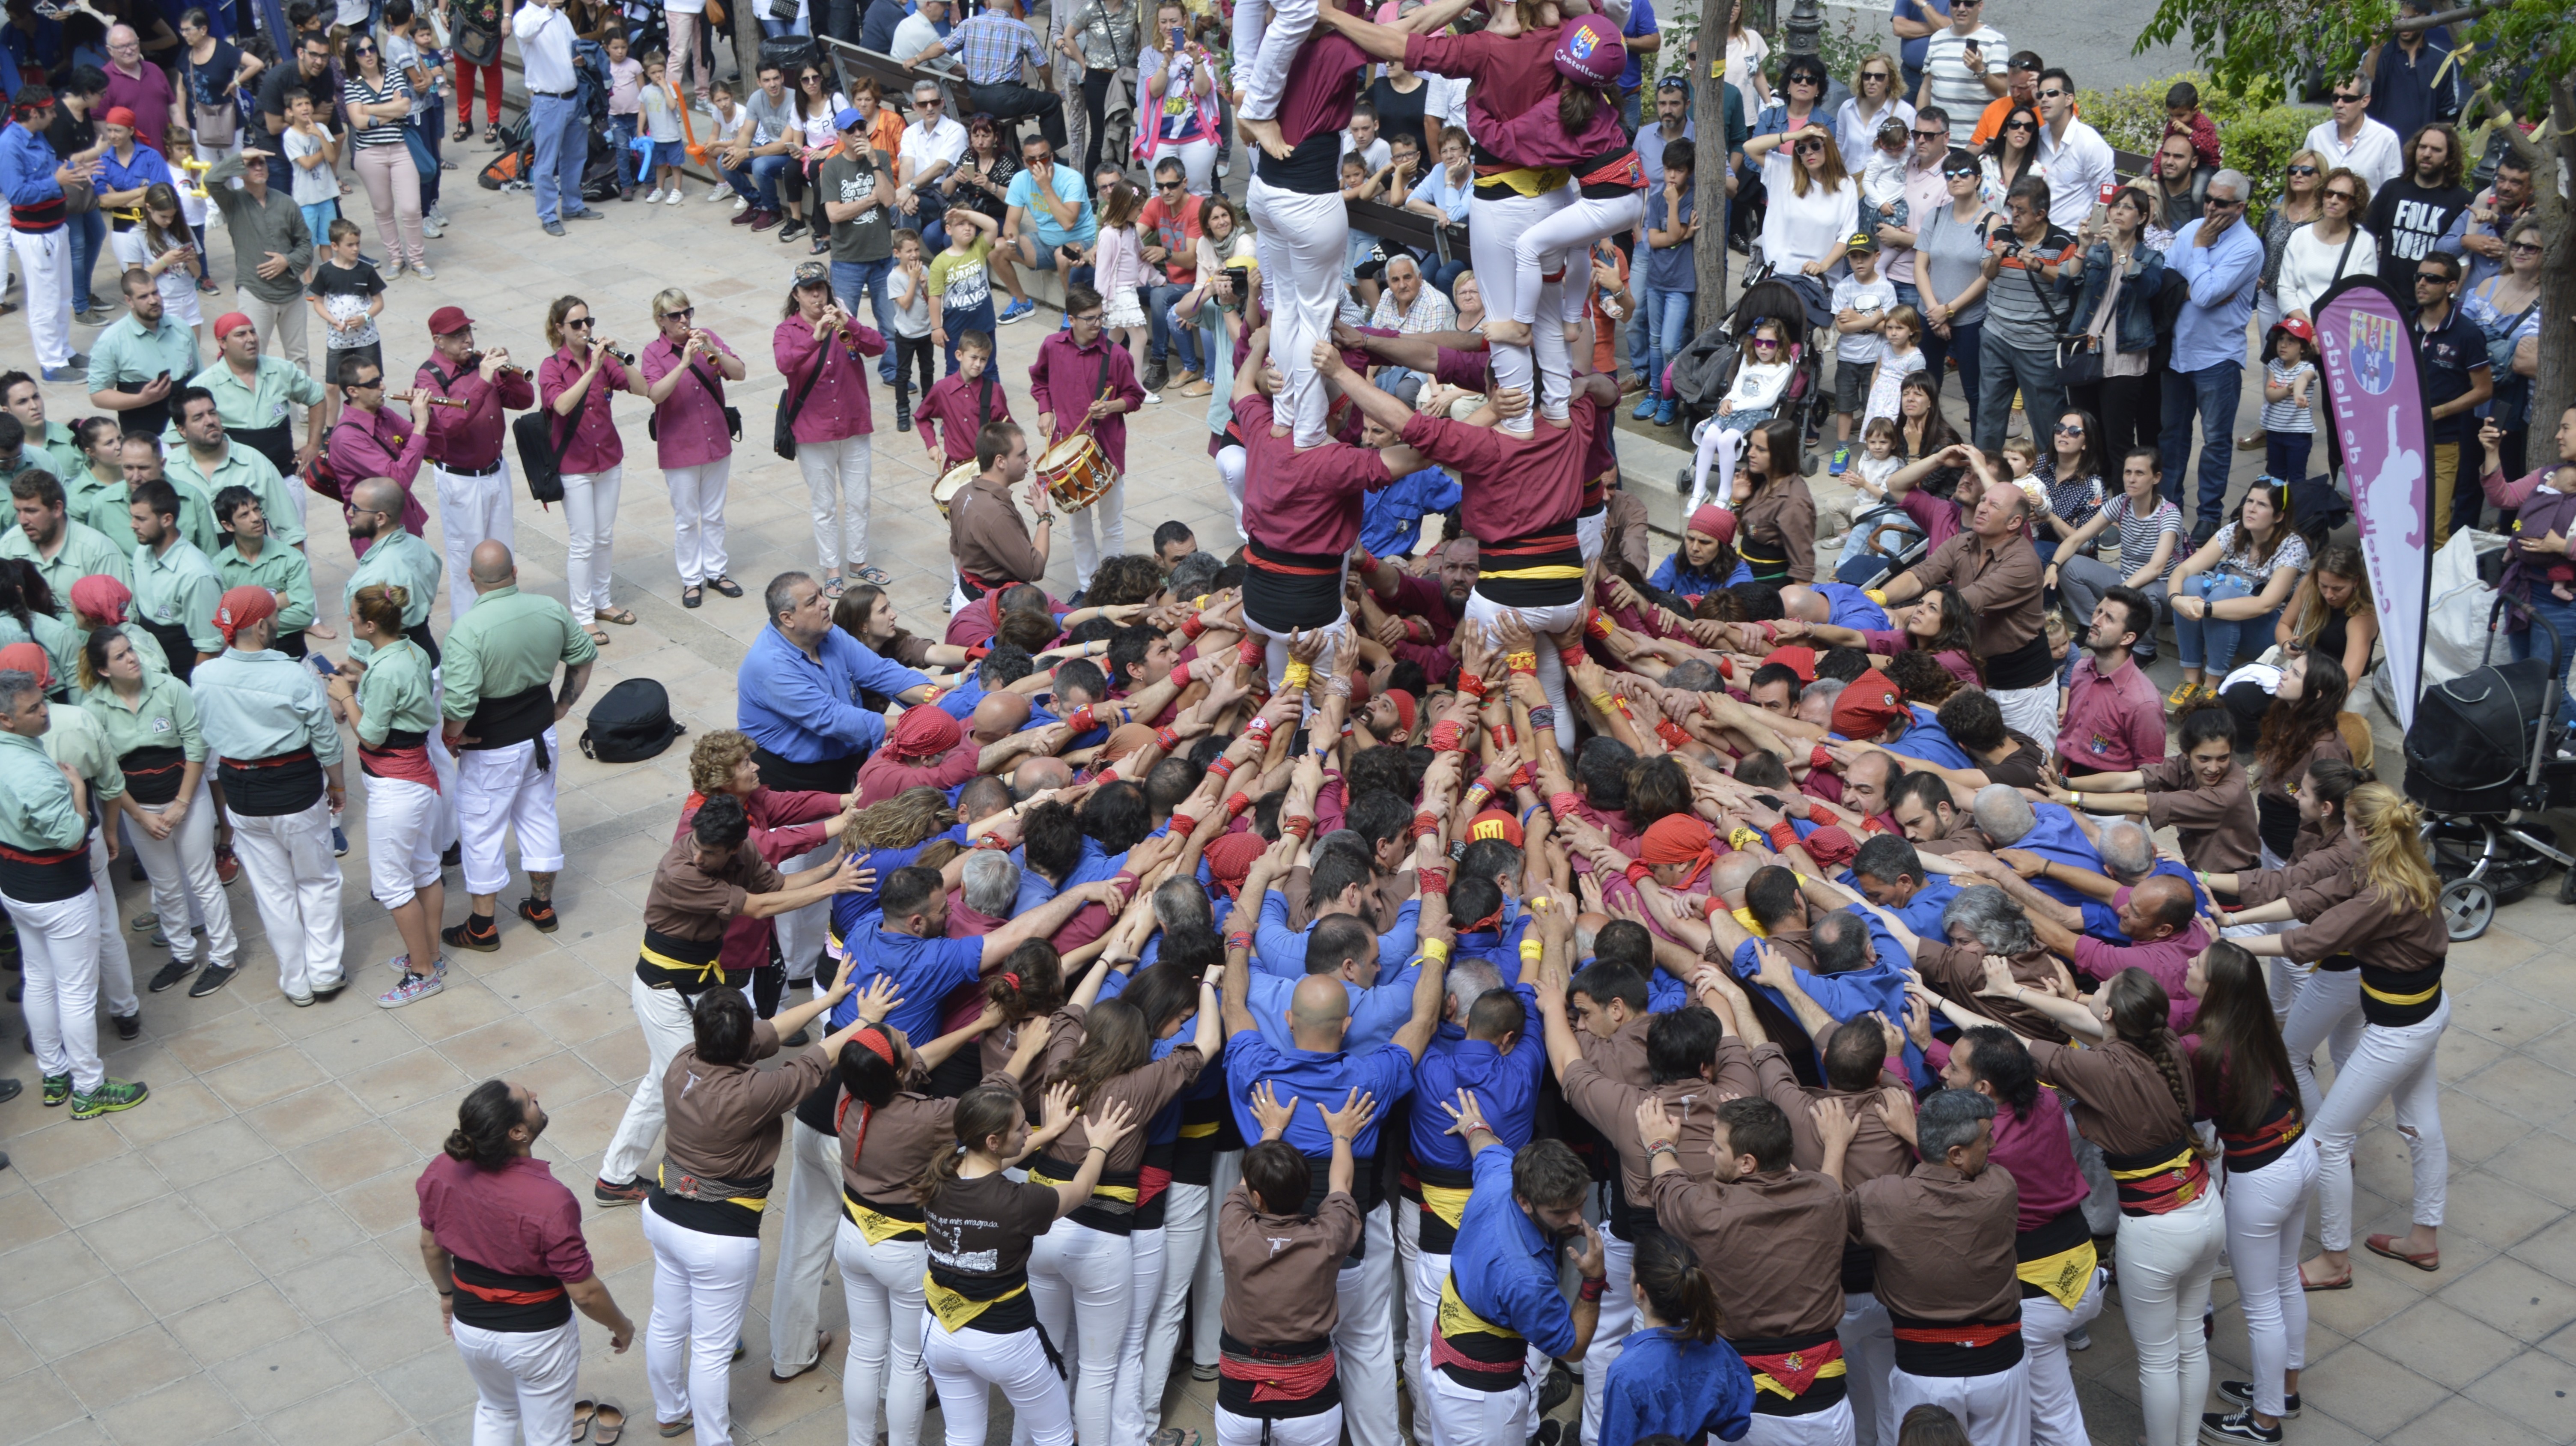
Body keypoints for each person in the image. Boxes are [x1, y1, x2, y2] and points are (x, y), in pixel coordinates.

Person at [590, 789, 872, 1208]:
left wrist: (831, 869)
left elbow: (777, 885)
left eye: (712, 852)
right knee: (693, 1083)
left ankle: (614, 1176)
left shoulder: (747, 851)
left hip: (698, 985)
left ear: (735, 846)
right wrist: (834, 884)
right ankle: (693, 1177)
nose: (701, 857)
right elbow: (759, 907)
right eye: (700, 847)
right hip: (664, 988)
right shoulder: (679, 870)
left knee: (662, 1079)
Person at [641, 969, 879, 1446]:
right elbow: (815, 1060)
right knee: (711, 1348)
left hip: (664, 1213)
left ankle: (670, 1411)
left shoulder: (684, 1060)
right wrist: (862, 1021)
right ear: (742, 1039)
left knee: (667, 1321)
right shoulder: (753, 1092)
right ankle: (714, 1440)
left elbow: (772, 1030)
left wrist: (830, 999)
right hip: (718, 1236)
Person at [2227, 784, 2448, 1294]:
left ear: (2362, 831)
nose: (2341, 832)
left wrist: (2227, 940)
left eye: (2346, 823)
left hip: (2400, 1028)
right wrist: (2236, 917)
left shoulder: (2383, 889)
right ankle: (2424, 1236)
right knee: (2419, 1122)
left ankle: (2333, 1259)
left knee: (2327, 1139)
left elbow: (2311, 940)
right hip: (2426, 1011)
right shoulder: (2399, 861)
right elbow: (2320, 897)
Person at [418, 1079, 639, 1446]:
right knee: (548, 1438)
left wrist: (446, 1295)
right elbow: (584, 1293)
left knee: (495, 1409)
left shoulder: (442, 1170)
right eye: (528, 1100)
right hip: (538, 1338)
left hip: (471, 1326)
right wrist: (622, 1325)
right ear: (518, 1132)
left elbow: (431, 1246)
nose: (536, 1094)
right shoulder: (551, 1200)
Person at [1819, 1088, 2027, 1446]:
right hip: (2000, 1369)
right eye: (1987, 1137)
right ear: (1957, 1153)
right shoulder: (1999, 1187)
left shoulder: (1883, 1198)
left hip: (1923, 1373)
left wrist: (1835, 1145)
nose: (1992, 1144)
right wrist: (1913, 1132)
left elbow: (1827, 1215)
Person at [2179, 942, 2316, 1446]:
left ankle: (2264, 1420)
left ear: (2214, 988)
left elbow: (2183, 1105)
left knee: (2260, 1304)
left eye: (2197, 965)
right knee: (2285, 1278)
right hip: (2298, 1152)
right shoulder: (2255, 1023)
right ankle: (2284, 1388)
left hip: (2262, 1176)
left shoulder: (2204, 1045)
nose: (2188, 965)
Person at [1420, 1086, 1609, 1446]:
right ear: (1525, 1201)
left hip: (1445, 1364)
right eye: (1559, 1211)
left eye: (1580, 1203)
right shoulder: (1527, 1278)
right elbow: (1572, 1349)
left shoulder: (1500, 1177)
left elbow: (1485, 1146)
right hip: (1481, 1405)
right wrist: (1593, 1281)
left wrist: (1474, 1125)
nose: (1576, 1219)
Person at [189, 585, 345, 1004]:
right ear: (260, 626)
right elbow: (326, 738)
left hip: (242, 796)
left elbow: (205, 734)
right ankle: (326, 971)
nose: (278, 623)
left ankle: (296, 980)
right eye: (273, 617)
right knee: (317, 881)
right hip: (296, 789)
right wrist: (339, 783)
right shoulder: (294, 674)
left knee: (274, 892)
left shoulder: (203, 676)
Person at [437, 541, 595, 954]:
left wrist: (450, 736)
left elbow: (459, 704)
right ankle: (542, 908)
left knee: (482, 831)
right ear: (516, 571)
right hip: (541, 735)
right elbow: (583, 655)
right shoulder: (549, 609)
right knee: (539, 816)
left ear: (471, 578)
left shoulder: (467, 631)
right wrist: (562, 705)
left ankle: (482, 926)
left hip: (492, 749)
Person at [78, 623, 237, 996]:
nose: (131, 657)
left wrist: (182, 803)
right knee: (165, 885)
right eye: (120, 656)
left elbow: (196, 748)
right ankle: (183, 954)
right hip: (141, 808)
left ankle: (224, 957)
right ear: (104, 670)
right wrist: (140, 815)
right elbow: (108, 774)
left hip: (186, 798)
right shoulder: (93, 708)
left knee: (202, 879)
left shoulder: (171, 689)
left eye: (129, 649)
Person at [1215, 1079, 1374, 1446]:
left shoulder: (1232, 1228)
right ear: (1306, 1194)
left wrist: (1272, 1128)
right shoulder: (1328, 1236)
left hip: (1239, 1403)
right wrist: (1342, 1135)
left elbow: (1245, 1183)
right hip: (1312, 1407)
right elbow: (1341, 1183)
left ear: (1256, 1197)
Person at [322, 581, 447, 1004]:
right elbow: (396, 699)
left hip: (397, 789)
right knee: (426, 868)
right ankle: (429, 953)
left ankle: (423, 971)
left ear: (371, 624)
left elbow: (372, 736)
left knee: (394, 885)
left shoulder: (388, 666)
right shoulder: (410, 651)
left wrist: (344, 695)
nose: (349, 621)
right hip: (420, 780)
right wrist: (361, 681)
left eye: (354, 616)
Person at [1874, 481, 2056, 752]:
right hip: (1976, 672)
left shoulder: (2023, 563)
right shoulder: (1963, 542)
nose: (1981, 508)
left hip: (2021, 686)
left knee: (2028, 758)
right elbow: (1922, 574)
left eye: (1993, 505)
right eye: (1983, 501)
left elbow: (1964, 602)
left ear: (2015, 521)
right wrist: (1877, 598)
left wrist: (1907, 612)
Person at [2155, 167, 2264, 544]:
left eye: (2222, 203)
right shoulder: (2191, 230)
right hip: (2178, 353)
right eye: (2209, 200)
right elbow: (2165, 279)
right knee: (2172, 436)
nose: (2212, 208)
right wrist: (2195, 284)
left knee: (2216, 440)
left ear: (2241, 207)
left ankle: (2209, 516)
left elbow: (2204, 295)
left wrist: (2200, 251)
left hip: (2217, 358)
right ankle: (2169, 508)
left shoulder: (2247, 247)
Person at [774, 262, 890, 598]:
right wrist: (816, 338)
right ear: (796, 295)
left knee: (859, 499)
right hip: (814, 431)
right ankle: (832, 570)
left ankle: (858, 562)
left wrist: (848, 322)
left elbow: (879, 345)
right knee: (824, 505)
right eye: (808, 289)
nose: (816, 295)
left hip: (853, 425)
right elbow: (785, 364)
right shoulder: (787, 330)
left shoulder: (845, 318)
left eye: (820, 288)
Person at [537, 294, 644, 642]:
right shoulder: (552, 367)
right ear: (560, 329)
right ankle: (582, 614)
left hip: (608, 459)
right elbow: (563, 405)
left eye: (589, 322)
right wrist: (594, 370)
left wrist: (620, 357)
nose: (585, 329)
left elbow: (642, 388)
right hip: (575, 466)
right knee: (583, 541)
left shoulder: (602, 359)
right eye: (576, 324)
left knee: (604, 536)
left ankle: (602, 601)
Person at [416, 307, 534, 620]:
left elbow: (523, 401)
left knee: (501, 559)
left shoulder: (480, 364)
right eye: (457, 336)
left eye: (468, 332)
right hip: (461, 480)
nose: (467, 340)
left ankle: (505, 624)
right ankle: (469, 633)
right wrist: (483, 381)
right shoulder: (429, 376)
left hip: (496, 472)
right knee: (467, 563)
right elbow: (449, 425)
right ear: (438, 340)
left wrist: (508, 373)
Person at [1030, 285, 1146, 595]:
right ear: (1071, 319)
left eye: (1101, 317)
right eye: (1091, 319)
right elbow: (1040, 381)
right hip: (1066, 449)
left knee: (1112, 525)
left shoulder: (1117, 355)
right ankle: (1086, 588)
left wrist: (1111, 406)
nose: (1098, 324)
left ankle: (1113, 588)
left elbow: (1135, 397)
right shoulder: (1052, 347)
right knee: (1080, 528)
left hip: (1106, 449)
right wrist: (1045, 411)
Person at [641, 287, 746, 610]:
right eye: (676, 315)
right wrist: (684, 363)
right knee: (687, 517)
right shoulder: (653, 352)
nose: (684, 320)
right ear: (661, 321)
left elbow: (739, 373)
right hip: (680, 447)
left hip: (715, 439)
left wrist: (713, 348)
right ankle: (691, 578)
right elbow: (655, 393)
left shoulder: (707, 337)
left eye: (688, 312)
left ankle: (716, 571)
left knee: (714, 513)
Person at [2165, 480, 2308, 704]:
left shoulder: (2293, 547)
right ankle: (2191, 679)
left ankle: (2213, 685)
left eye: (2262, 505)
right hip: (2225, 619)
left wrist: (2207, 608)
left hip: (2269, 631)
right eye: (2249, 501)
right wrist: (2175, 599)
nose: (2251, 508)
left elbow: (2266, 604)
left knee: (2221, 596)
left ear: (2279, 517)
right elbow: (2184, 569)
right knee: (2192, 586)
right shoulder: (2235, 531)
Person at [1971, 176, 2076, 456]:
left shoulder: (2064, 242)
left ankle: (2052, 479)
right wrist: (1995, 258)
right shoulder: (2001, 234)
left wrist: (2040, 266)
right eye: (2011, 208)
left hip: (2039, 346)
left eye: (2021, 210)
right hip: (1996, 338)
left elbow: (2069, 281)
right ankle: (1984, 475)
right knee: (1989, 415)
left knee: (2047, 419)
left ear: (2041, 214)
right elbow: (1988, 274)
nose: (2013, 215)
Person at [2060, 187, 2165, 459]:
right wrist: (2083, 247)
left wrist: (2120, 250)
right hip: (2085, 352)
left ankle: (2119, 497)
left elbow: (2148, 288)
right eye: (2115, 206)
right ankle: (2091, 494)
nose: (2119, 211)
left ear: (2142, 218)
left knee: (2118, 438)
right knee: (2086, 435)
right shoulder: (2095, 254)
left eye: (2128, 208)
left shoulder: (2151, 258)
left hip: (2124, 356)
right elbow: (2063, 285)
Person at [2478, 410, 2576, 686]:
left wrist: (2563, 546)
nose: (2558, 435)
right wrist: (2492, 452)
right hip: (2523, 590)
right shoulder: (2549, 475)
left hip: (2563, 602)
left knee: (2547, 690)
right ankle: (2534, 731)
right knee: (2524, 683)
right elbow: (2503, 496)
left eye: (2566, 428)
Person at [185, 311, 328, 484]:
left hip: (285, 477)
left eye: (253, 332)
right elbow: (178, 433)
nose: (251, 339)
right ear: (222, 343)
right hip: (235, 484)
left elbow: (316, 398)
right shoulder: (204, 385)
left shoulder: (281, 370)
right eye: (241, 334)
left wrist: (313, 445)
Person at [3, 84, 86, 381]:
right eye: (50, 111)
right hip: (35, 235)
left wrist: (74, 171)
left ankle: (63, 351)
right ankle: (52, 364)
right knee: (45, 301)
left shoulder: (37, 135)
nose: (55, 115)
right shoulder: (9, 144)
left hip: (55, 227)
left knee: (63, 294)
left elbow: (51, 172)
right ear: (35, 113)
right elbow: (17, 194)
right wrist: (57, 181)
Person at [2413, 250, 2494, 541]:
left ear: (2451, 286)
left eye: (2432, 278)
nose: (2422, 283)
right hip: (2398, 442)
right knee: (2399, 520)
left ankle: (2436, 586)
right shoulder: (2403, 325)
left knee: (2434, 530)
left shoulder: (2467, 333)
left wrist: (2438, 412)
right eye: (2419, 276)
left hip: (2442, 443)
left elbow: (2484, 389)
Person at [338, 30, 427, 278]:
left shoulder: (394, 74)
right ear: (354, 57)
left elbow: (406, 106)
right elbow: (358, 122)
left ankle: (418, 260)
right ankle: (396, 259)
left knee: (411, 207)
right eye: (361, 51)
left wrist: (370, 110)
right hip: (369, 153)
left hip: (401, 148)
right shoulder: (351, 84)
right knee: (383, 209)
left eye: (371, 49)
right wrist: (391, 111)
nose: (368, 54)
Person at [2461, 219, 2545, 481]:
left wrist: (2485, 343)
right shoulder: (2490, 285)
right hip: (2473, 391)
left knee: (2504, 475)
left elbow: (2527, 364)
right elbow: (2462, 339)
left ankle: (2505, 525)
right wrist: (2513, 349)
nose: (2520, 252)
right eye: (2517, 245)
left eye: (2531, 248)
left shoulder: (2553, 301)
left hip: (2510, 401)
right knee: (2467, 475)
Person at [1914, 145, 1992, 426]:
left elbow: (1987, 276)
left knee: (1974, 390)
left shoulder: (1991, 221)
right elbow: (1921, 266)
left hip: (1969, 318)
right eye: (1949, 174)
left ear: (1978, 178)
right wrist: (1936, 311)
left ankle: (1979, 454)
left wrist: (1950, 310)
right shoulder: (1936, 215)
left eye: (1963, 173)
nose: (1956, 179)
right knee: (1926, 387)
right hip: (1930, 313)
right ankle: (1925, 445)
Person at [514, 0, 606, 236]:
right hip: (547, 102)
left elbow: (574, 46)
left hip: (573, 98)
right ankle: (548, 215)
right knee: (546, 162)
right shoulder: (524, 18)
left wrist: (582, 59)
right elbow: (525, 34)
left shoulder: (561, 18)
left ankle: (573, 206)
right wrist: (549, 10)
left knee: (576, 156)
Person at [323, 355, 433, 550]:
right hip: (379, 540)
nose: (382, 387)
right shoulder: (347, 438)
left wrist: (428, 414)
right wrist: (421, 424)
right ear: (353, 391)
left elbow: (437, 448)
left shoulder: (385, 415)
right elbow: (399, 479)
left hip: (406, 524)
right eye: (374, 384)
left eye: (380, 379)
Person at [932, 0, 1068, 155]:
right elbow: (1043, 66)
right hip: (1004, 101)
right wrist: (1050, 88)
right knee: (1052, 102)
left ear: (988, 4)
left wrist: (916, 59)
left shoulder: (969, 24)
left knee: (1017, 96)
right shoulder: (1022, 29)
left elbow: (941, 48)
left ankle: (1011, 148)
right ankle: (1050, 157)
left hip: (972, 99)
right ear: (1012, 8)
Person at [2054, 586, 2163, 779]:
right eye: (2099, 611)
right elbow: (2068, 737)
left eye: (2109, 618)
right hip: (2066, 776)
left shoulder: (2144, 703)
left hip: (2104, 798)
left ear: (2127, 638)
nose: (2096, 621)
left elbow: (2149, 774)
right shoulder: (2081, 669)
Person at [85, 265, 197, 438]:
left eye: (155, 293)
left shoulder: (181, 328)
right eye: (144, 297)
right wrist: (141, 400)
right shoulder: (111, 341)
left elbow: (198, 377)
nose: (153, 300)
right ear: (129, 301)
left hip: (188, 430)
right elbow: (98, 395)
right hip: (146, 435)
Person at [128, 477, 221, 681]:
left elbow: (211, 649)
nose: (132, 525)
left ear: (167, 520)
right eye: (133, 517)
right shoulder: (141, 554)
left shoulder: (196, 575)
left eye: (141, 519)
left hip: (184, 672)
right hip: (150, 666)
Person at [5, 468, 133, 617]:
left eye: (31, 511)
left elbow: (121, 616)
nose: (23, 520)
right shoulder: (10, 544)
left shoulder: (98, 551)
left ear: (57, 509)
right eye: (18, 511)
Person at [2364, 122, 2470, 294]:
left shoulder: (2462, 201)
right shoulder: (2392, 189)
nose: (2427, 154)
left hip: (2431, 303)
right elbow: (2368, 237)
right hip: (2385, 296)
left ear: (2449, 159)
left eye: (2436, 150)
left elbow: (2464, 259)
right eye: (2422, 147)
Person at [2275, 168, 2374, 322]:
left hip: (2340, 329)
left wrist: (2326, 328)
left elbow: (2364, 298)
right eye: (2329, 193)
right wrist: (2308, 326)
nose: (2333, 200)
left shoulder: (2364, 242)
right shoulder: (2300, 236)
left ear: (2354, 204)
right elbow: (2285, 289)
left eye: (2343, 196)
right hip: (2300, 329)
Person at [2254, 151, 2326, 337]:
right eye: (2293, 170)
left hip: (2303, 300)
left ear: (2321, 176)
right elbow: (2264, 243)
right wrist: (2257, 272)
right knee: (2269, 357)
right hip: (2270, 296)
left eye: (2307, 171)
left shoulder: (2325, 216)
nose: (2298, 175)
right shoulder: (2277, 207)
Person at [1914, 0, 2005, 146]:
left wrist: (1980, 70)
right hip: (1938, 142)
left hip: (1975, 142)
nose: (1961, 9)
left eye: (1969, 3)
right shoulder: (1938, 38)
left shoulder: (1995, 40)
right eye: (1956, 3)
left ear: (1980, 6)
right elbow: (1926, 88)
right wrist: (1921, 131)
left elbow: (2003, 92)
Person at [2301, 74, 2401, 195]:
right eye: (2335, 98)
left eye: (2347, 99)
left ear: (2365, 101)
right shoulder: (2316, 136)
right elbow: (2305, 180)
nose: (2339, 104)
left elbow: (2393, 192)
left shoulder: (2386, 139)